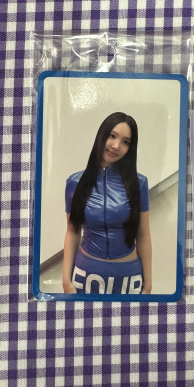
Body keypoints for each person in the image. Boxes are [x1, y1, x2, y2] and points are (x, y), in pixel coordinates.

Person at [62, 112, 152, 295]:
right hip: (86, 273)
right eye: (112, 136)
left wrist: (148, 284)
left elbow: (143, 235)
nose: (116, 146)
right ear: (101, 135)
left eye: (125, 142)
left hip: (128, 276)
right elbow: (72, 231)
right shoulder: (75, 182)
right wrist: (66, 280)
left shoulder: (139, 183)